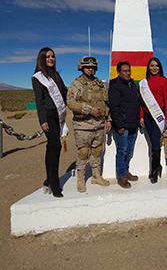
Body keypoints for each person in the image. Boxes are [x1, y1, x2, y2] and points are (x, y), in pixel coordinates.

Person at [67, 56, 111, 193]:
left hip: (99, 124)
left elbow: (106, 103)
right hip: (83, 125)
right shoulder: (77, 84)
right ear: (81, 68)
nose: (90, 69)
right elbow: (71, 103)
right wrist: (90, 110)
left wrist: (108, 119)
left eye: (92, 67)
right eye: (87, 67)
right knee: (84, 151)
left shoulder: (100, 84)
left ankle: (96, 176)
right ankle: (80, 179)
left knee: (98, 149)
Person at [32, 47, 67, 198]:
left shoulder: (56, 75)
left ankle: (49, 181)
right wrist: (43, 120)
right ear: (42, 59)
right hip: (48, 116)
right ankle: (54, 183)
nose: (51, 59)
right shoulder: (38, 77)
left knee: (52, 148)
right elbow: (38, 101)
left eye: (52, 56)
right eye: (47, 57)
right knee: (55, 145)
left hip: (58, 116)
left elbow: (63, 92)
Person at [108, 61, 140, 189]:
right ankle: (121, 176)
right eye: (125, 71)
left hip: (133, 124)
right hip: (123, 125)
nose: (128, 73)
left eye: (129, 70)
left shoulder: (132, 84)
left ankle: (126, 171)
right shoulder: (115, 85)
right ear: (119, 72)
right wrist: (119, 125)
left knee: (129, 151)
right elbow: (114, 107)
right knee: (122, 151)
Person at [139, 57, 167, 183]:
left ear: (160, 67)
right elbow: (142, 102)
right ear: (148, 67)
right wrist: (141, 116)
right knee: (151, 140)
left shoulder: (164, 81)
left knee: (155, 141)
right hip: (147, 115)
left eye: (156, 65)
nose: (154, 68)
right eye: (152, 65)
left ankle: (154, 169)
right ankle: (157, 166)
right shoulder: (144, 82)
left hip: (159, 115)